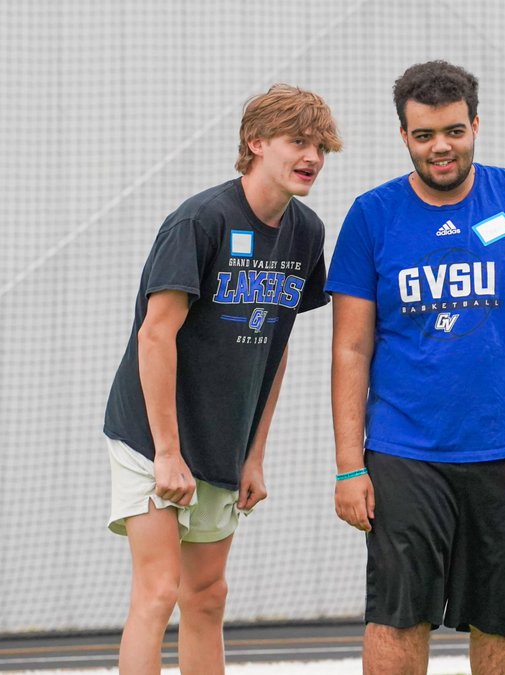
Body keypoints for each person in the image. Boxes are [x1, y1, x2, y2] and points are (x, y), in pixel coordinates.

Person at [326, 61, 505, 675]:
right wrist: (348, 466)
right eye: (424, 135)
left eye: (454, 131)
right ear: (404, 137)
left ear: (475, 126)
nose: (441, 146)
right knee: (396, 616)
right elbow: (350, 350)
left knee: (502, 620)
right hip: (404, 453)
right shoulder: (372, 215)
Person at [103, 84, 341, 674]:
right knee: (158, 592)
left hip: (222, 443)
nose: (311, 156)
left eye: (319, 146)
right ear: (255, 143)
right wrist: (165, 452)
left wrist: (253, 455)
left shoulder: (306, 232)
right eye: (297, 142)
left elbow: (274, 346)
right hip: (151, 436)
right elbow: (154, 337)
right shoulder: (200, 220)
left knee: (207, 596)